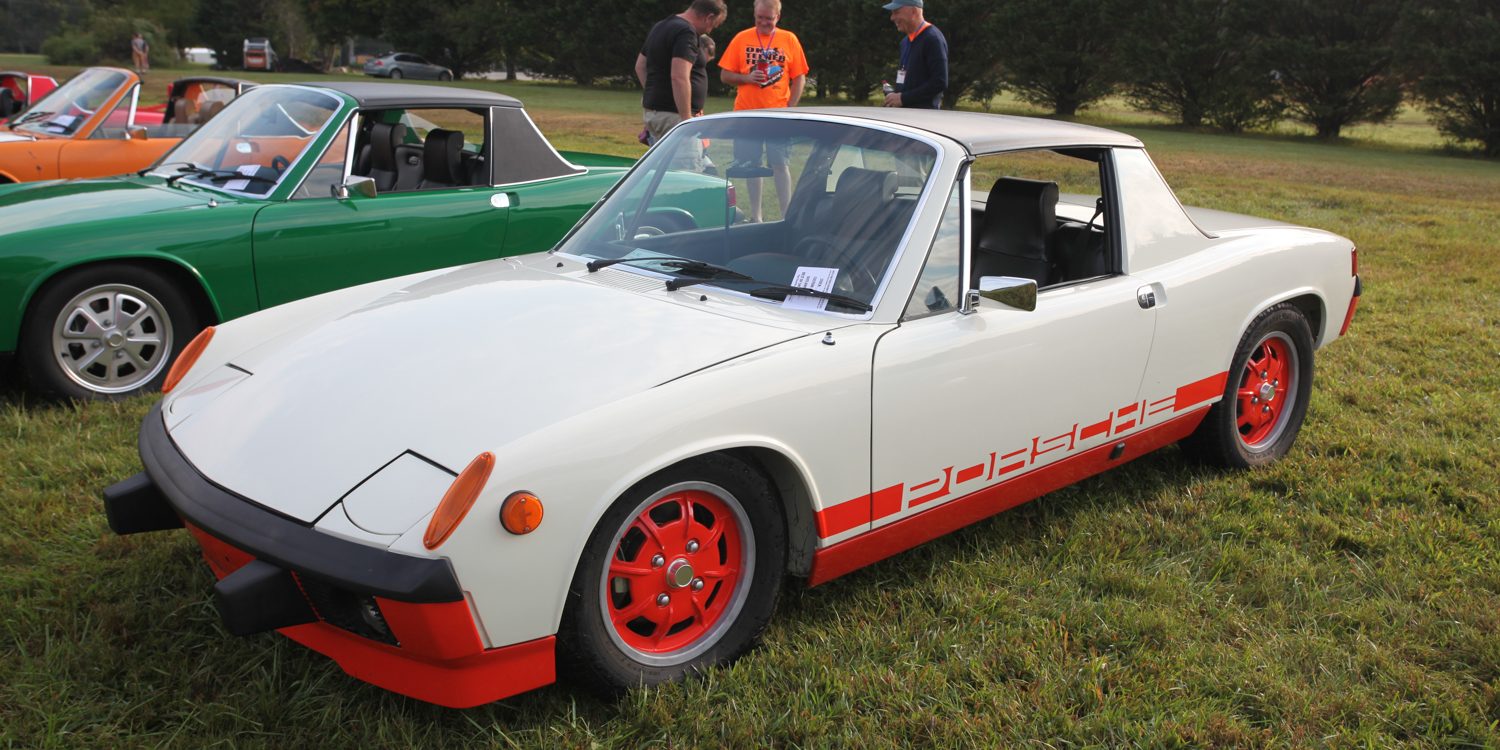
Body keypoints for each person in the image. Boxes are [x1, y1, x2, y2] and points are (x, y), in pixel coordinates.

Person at [718, 0, 809, 222]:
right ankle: (756, 216)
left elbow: (799, 77)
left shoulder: (789, 39)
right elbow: (725, 75)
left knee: (780, 163)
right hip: (748, 115)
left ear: (778, 16)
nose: (764, 22)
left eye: (769, 18)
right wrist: (747, 78)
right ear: (754, 14)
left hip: (778, 115)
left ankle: (786, 215)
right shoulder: (742, 38)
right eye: (760, 17)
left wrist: (790, 107)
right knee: (752, 166)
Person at [636, 0, 727, 150]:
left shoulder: (661, 26)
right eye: (713, 25)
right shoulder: (686, 32)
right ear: (709, 17)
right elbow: (679, 76)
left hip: (654, 114)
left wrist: (655, 93)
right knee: (684, 171)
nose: (709, 31)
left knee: (662, 168)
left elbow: (640, 65)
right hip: (674, 117)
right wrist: (686, 120)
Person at [881, 0, 946, 109]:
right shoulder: (905, 42)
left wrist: (903, 98)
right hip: (904, 116)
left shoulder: (932, 39)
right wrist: (894, 96)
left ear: (913, 11)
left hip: (922, 119)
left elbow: (939, 82)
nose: (892, 18)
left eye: (896, 12)